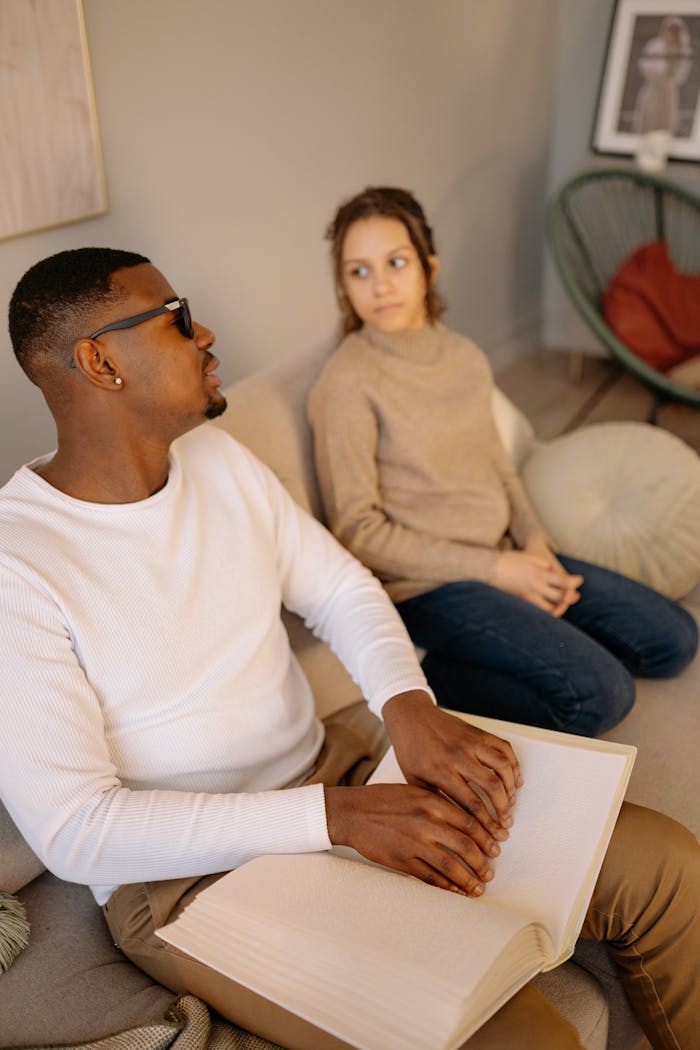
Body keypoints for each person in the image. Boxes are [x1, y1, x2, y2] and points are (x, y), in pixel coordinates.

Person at [1, 247, 698, 1050]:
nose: (208, 333)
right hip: (195, 879)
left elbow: (340, 588)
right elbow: (76, 832)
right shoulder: (18, 563)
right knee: (522, 1038)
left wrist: (408, 706)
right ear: (99, 360)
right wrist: (337, 819)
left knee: (666, 864)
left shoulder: (220, 461)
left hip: (345, 766)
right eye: (178, 318)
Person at [307, 186, 698, 737]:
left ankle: (518, 639)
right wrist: (497, 572)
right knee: (602, 696)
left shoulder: (464, 356)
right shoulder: (346, 383)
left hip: (507, 555)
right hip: (429, 587)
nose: (381, 286)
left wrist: (534, 544)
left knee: (673, 640)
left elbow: (496, 465)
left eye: (396, 262)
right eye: (358, 272)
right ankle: (430, 678)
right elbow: (359, 531)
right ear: (343, 286)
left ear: (429, 267)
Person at [633, 16, 693, 137]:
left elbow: (681, 73)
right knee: (649, 116)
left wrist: (668, 80)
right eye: (670, 30)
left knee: (665, 121)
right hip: (653, 87)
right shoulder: (655, 45)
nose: (671, 34)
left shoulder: (683, 51)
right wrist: (656, 76)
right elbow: (644, 63)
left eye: (675, 32)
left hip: (669, 91)